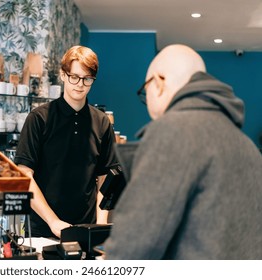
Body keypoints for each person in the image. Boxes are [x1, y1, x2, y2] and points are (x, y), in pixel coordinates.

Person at [104, 44, 262, 259]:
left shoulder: (171, 132)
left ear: (159, 82)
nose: (146, 100)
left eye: (144, 92)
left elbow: (134, 244)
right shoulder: (247, 146)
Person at [14, 45, 117, 238]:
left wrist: (100, 225)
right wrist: (53, 221)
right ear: (63, 75)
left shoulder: (102, 122)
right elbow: (24, 175)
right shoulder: (38, 118)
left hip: (86, 229)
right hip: (42, 229)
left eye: (87, 79)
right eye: (74, 77)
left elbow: (105, 179)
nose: (80, 84)